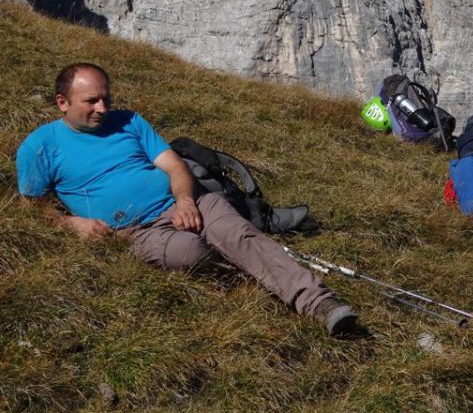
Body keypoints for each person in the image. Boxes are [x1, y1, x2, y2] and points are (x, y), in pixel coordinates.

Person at [17, 62, 358, 335]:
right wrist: (70, 222)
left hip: (189, 202)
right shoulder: (40, 147)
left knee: (236, 234)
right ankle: (262, 274)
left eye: (105, 97)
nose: (103, 108)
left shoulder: (129, 121)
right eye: (91, 101)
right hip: (138, 230)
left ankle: (320, 304)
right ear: (62, 102)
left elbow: (174, 165)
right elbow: (31, 209)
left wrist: (184, 201)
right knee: (190, 253)